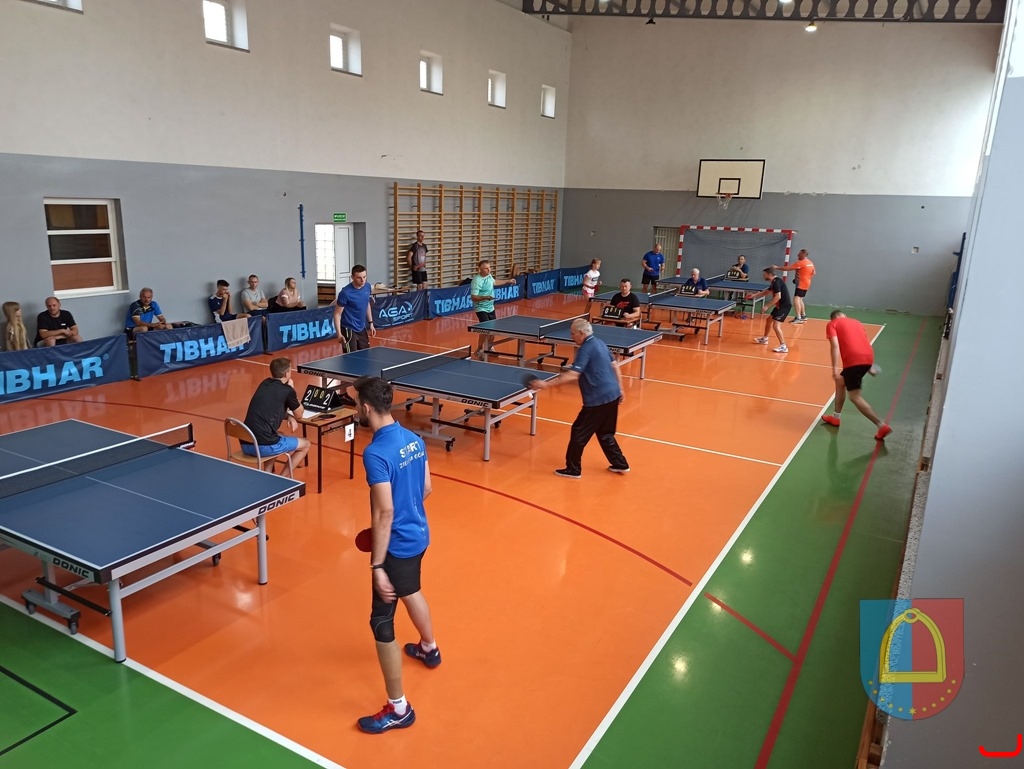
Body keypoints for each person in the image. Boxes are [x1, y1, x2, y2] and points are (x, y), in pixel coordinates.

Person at [350, 375, 439, 735]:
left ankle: (399, 708)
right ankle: (429, 648)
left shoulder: (375, 453)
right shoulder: (414, 439)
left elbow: (385, 511)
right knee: (411, 589)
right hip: (419, 535)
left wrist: (377, 565)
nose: (356, 410)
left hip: (395, 546)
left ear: (366, 407)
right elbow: (427, 488)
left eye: (356, 404)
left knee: (381, 622)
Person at [528, 318, 630, 478]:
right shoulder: (600, 343)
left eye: (573, 333)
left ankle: (573, 469)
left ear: (581, 333)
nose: (571, 337)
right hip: (613, 394)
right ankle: (620, 463)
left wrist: (546, 385)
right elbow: (615, 366)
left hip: (598, 399)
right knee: (605, 433)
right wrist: (621, 389)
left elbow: (573, 375)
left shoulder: (585, 348)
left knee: (578, 432)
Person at [821, 310, 892, 440]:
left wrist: (834, 369)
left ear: (833, 319)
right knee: (840, 382)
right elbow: (863, 342)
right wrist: (869, 366)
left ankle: (881, 426)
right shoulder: (857, 322)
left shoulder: (832, 324)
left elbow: (835, 346)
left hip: (853, 361)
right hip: (868, 357)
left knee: (855, 397)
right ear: (845, 316)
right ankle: (836, 418)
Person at [242, 357, 311, 470]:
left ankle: (268, 473)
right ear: (286, 374)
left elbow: (272, 408)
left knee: (279, 434)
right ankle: (283, 478)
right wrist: (292, 390)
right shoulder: (288, 390)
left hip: (246, 443)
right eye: (290, 370)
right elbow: (299, 414)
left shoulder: (264, 383)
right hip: (263, 447)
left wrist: (289, 417)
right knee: (306, 444)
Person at [470, 259, 516, 359]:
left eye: (489, 268)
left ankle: (489, 348)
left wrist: (507, 281)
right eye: (486, 268)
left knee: (493, 329)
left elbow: (494, 282)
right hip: (481, 308)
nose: (489, 270)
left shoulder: (489, 276)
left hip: (490, 307)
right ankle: (479, 349)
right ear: (480, 269)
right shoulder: (477, 281)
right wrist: (486, 297)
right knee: (485, 329)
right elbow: (473, 297)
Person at [334, 264, 376, 352]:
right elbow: (337, 314)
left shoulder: (367, 287)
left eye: (364, 277)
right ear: (352, 277)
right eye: (359, 278)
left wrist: (371, 323)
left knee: (365, 355)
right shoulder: (345, 293)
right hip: (348, 328)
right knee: (351, 357)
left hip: (361, 327)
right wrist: (339, 334)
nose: (363, 280)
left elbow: (367, 304)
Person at [772, 249, 815, 323]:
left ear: (803, 254)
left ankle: (798, 318)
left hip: (801, 284)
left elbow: (788, 268)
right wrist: (806, 278)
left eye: (799, 254)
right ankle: (803, 315)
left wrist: (776, 267)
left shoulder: (801, 263)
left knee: (796, 299)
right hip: (807, 283)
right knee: (800, 299)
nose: (798, 255)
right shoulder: (810, 263)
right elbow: (813, 273)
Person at [754, 267, 791, 353]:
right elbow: (766, 292)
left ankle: (783, 346)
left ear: (769, 274)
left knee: (776, 326)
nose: (763, 276)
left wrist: (766, 306)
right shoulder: (774, 282)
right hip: (779, 306)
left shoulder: (776, 282)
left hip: (784, 306)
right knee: (769, 320)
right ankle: (765, 339)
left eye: (765, 274)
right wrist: (754, 295)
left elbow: (778, 296)